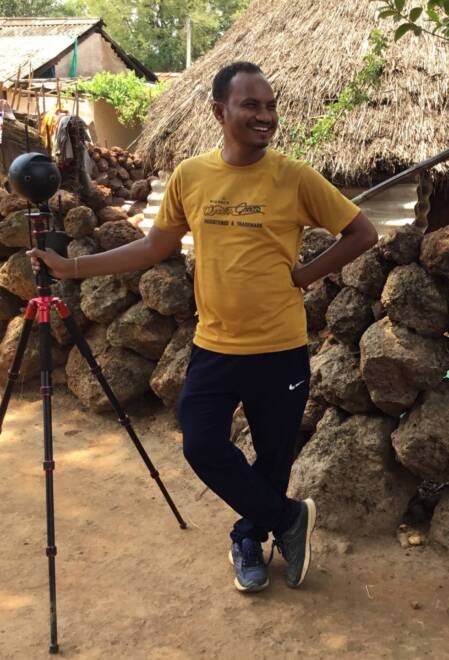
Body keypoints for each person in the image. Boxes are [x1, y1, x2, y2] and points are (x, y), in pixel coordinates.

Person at [29, 61, 378, 593]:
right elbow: (154, 246)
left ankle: (248, 539)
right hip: (214, 344)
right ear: (220, 111)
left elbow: (362, 231)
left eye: (269, 106)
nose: (264, 117)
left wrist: (304, 275)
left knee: (275, 456)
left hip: (281, 346)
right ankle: (287, 520)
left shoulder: (295, 176)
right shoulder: (191, 176)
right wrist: (73, 268)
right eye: (251, 106)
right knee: (201, 444)